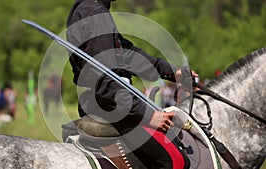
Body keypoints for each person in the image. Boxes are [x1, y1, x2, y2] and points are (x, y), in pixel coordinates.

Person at [66, 0, 197, 168]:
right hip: (111, 107)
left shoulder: (92, 8)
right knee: (176, 161)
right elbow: (104, 81)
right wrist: (147, 115)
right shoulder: (95, 13)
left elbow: (128, 55)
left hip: (109, 102)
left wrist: (173, 72)